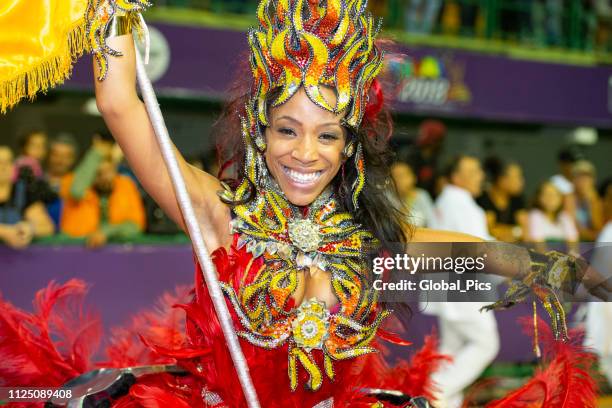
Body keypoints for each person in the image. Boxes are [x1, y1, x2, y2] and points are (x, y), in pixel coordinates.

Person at [0, 1, 607, 407]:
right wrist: (111, 14)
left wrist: (576, 276)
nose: (305, 152)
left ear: (348, 149)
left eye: (326, 135)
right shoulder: (220, 214)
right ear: (260, 133)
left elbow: (483, 261)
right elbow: (120, 106)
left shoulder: (368, 248)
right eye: (288, 129)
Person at [428, 155, 500, 408]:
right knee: (485, 343)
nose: (480, 175)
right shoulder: (461, 204)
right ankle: (436, 389)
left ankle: (443, 399)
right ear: (457, 177)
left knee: (451, 349)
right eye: (473, 170)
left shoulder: (448, 201)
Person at [59, 133, 146, 248]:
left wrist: (105, 232)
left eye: (109, 171)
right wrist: (96, 153)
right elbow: (77, 192)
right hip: (75, 251)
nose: (104, 177)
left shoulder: (126, 185)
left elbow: (135, 226)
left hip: (115, 254)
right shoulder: (72, 181)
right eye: (99, 173)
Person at [0, 145, 54, 249]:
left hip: (14, 260)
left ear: (13, 167)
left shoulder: (23, 192)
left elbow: (47, 227)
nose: (3, 167)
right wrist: (4, 232)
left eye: (7, 162)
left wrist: (30, 229)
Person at [477, 157, 528, 242]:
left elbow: (525, 231)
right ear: (501, 179)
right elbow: (488, 231)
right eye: (517, 177)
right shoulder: (483, 198)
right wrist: (515, 231)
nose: (522, 181)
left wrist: (504, 230)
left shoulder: (517, 198)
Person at [527, 181, 579, 253]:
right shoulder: (535, 215)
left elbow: (573, 247)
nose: (551, 198)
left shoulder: (565, 217)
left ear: (560, 198)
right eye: (547, 194)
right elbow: (540, 248)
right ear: (539, 197)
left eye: (555, 194)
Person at [44, 133, 78, 230]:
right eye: (56, 155)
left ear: (73, 159)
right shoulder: (37, 182)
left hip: (70, 241)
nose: (60, 160)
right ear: (48, 156)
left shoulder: (78, 184)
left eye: (66, 156)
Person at [390, 161, 435, 227]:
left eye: (403, 176)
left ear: (414, 178)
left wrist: (410, 197)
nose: (399, 180)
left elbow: (432, 223)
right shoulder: (386, 198)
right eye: (395, 176)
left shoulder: (422, 196)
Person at [572, 160, 604, 242]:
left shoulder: (597, 199)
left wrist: (592, 202)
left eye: (587, 177)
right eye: (579, 176)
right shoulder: (568, 198)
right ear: (573, 179)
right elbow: (573, 229)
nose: (583, 180)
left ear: (593, 180)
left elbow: (599, 227)